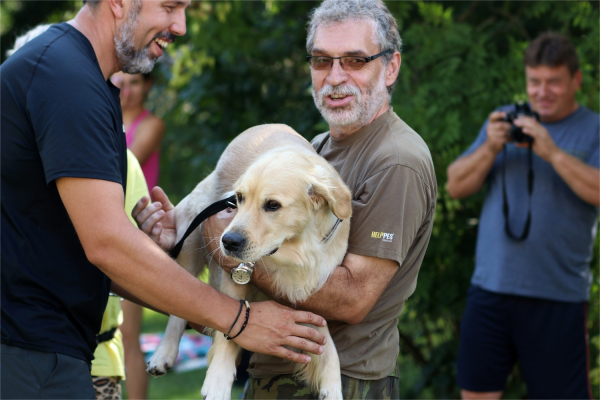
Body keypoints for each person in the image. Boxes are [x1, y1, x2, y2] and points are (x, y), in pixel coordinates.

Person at [0, 0, 327, 398]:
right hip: (27, 355)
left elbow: (85, 245)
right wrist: (239, 320)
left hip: (43, 349)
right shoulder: (66, 79)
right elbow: (107, 244)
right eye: (171, 6)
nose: (182, 25)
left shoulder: (80, 76)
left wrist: (153, 254)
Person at [135, 0, 437, 398]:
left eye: (355, 61)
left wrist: (233, 251)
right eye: (321, 61)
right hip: (268, 368)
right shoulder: (313, 150)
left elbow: (351, 300)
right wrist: (178, 245)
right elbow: (245, 286)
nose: (334, 77)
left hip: (345, 381)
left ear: (391, 66)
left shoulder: (397, 161)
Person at [447, 32, 598, 399]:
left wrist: (551, 151)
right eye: (534, 81)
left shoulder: (593, 129)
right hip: (490, 290)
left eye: (553, 82)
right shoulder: (505, 121)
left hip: (557, 296)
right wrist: (490, 146)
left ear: (575, 81)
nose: (542, 91)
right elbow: (455, 184)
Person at [110, 70, 165, 400]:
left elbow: (123, 161)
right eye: (121, 83)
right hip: (102, 227)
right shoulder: (102, 116)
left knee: (128, 335)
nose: (127, 91)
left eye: (134, 83)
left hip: (134, 232)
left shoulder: (150, 124)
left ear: (146, 86)